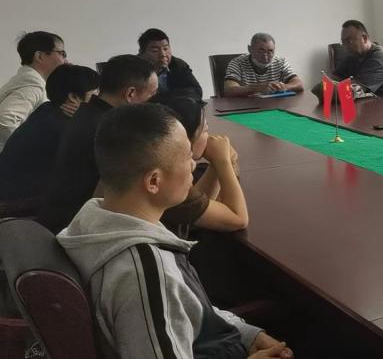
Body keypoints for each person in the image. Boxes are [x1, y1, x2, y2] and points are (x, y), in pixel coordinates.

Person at [57, 104, 293, 359]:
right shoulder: (145, 273)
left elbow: (187, 305)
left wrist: (248, 334)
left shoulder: (100, 220)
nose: (193, 165)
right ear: (154, 181)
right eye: (186, 158)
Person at [38, 55, 159, 233]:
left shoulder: (87, 113)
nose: (155, 102)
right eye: (152, 95)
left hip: (56, 222)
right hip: (77, 232)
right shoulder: (114, 131)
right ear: (130, 94)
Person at [0, 65, 99, 207]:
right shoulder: (63, 127)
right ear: (73, 97)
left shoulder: (47, 110)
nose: (98, 100)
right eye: (95, 94)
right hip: (19, 205)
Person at [150, 94, 250, 234]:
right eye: (205, 131)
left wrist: (215, 164)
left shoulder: (156, 164)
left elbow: (196, 208)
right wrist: (223, 162)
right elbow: (238, 219)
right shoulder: (169, 180)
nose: (209, 137)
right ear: (183, 137)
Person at [0, 31, 67, 150]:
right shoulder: (33, 85)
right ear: (40, 56)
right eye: (62, 54)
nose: (65, 60)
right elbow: (5, 123)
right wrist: (27, 151)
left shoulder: (28, 80)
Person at [334, 20, 383, 103]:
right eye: (343, 42)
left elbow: (350, 92)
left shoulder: (378, 58)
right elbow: (335, 78)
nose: (345, 46)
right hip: (369, 103)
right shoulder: (352, 55)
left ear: (364, 38)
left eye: (349, 41)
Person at [223, 33, 304, 97]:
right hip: (247, 107)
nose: (265, 56)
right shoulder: (237, 63)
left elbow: (299, 84)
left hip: (275, 104)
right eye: (260, 51)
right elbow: (229, 90)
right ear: (250, 49)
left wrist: (285, 87)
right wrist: (256, 88)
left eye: (270, 51)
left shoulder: (280, 62)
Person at [137, 28, 204, 100]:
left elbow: (196, 91)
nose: (163, 54)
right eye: (155, 50)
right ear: (141, 53)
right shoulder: (133, 68)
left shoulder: (178, 64)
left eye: (166, 49)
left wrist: (164, 98)